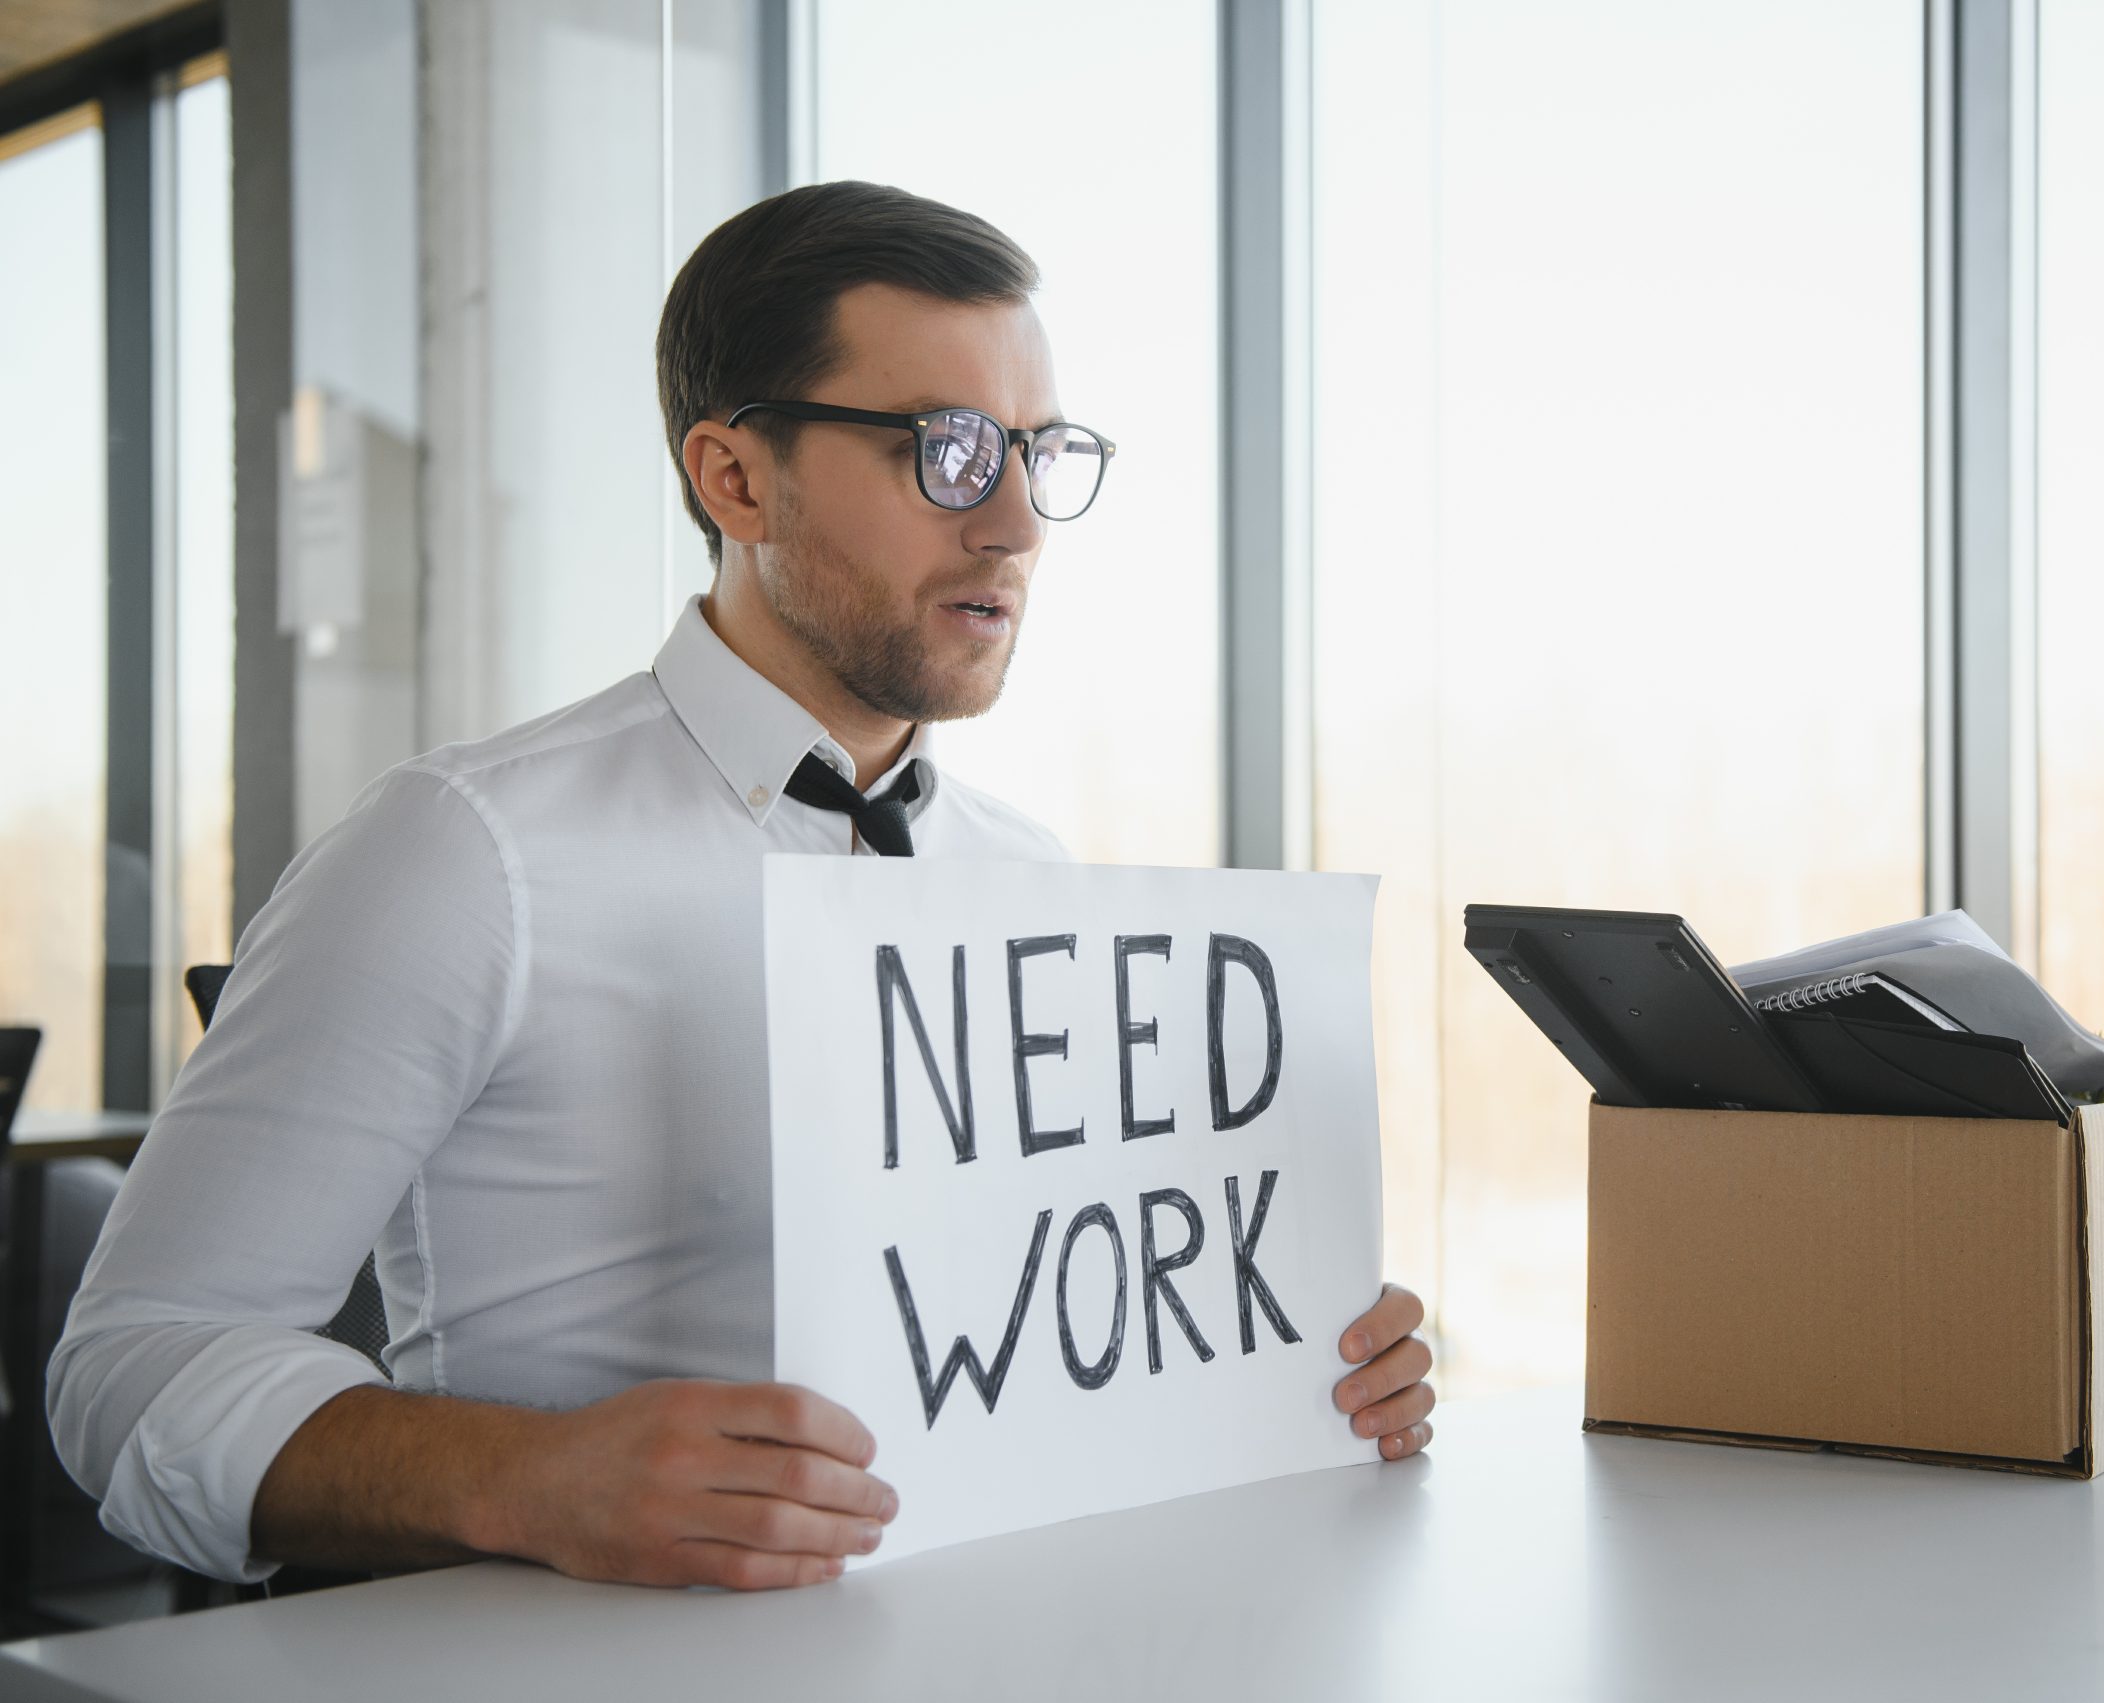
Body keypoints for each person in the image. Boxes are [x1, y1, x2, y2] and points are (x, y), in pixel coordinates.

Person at [48, 181, 1434, 1592]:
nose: (1017, 522)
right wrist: (527, 1478)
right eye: (948, 451)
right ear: (735, 479)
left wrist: (1289, 1359)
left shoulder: (1032, 879)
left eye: (1037, 451)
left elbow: (1061, 1343)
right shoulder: (467, 855)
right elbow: (130, 1372)